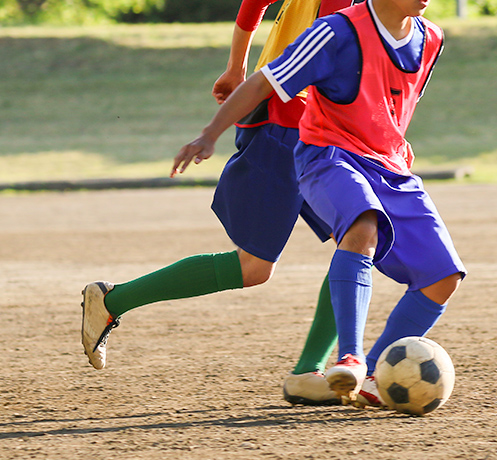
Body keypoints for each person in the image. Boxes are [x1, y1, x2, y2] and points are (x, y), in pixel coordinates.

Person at [172, 0, 467, 405]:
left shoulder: (431, 38)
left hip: (389, 166)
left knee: (443, 277)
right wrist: (209, 134)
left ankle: (372, 373)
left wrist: (396, 144)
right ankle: (351, 357)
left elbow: (396, 101)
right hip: (328, 155)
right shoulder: (336, 32)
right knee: (363, 224)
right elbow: (264, 83)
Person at [80, 0, 354, 406]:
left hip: (331, 138)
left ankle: (315, 370)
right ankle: (112, 300)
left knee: (359, 241)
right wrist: (236, 68)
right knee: (254, 267)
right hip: (284, 129)